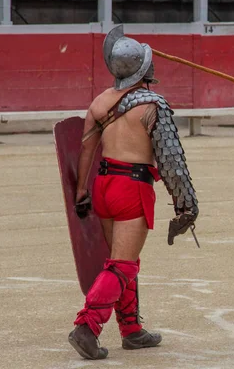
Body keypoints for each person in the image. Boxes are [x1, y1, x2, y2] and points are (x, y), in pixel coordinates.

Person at [68, 25, 199, 360]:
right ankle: (88, 326)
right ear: (143, 69)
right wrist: (186, 205)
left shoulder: (100, 102)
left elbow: (86, 151)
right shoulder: (153, 106)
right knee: (123, 265)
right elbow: (171, 162)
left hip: (104, 185)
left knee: (123, 261)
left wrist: (82, 193)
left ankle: (131, 330)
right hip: (132, 188)